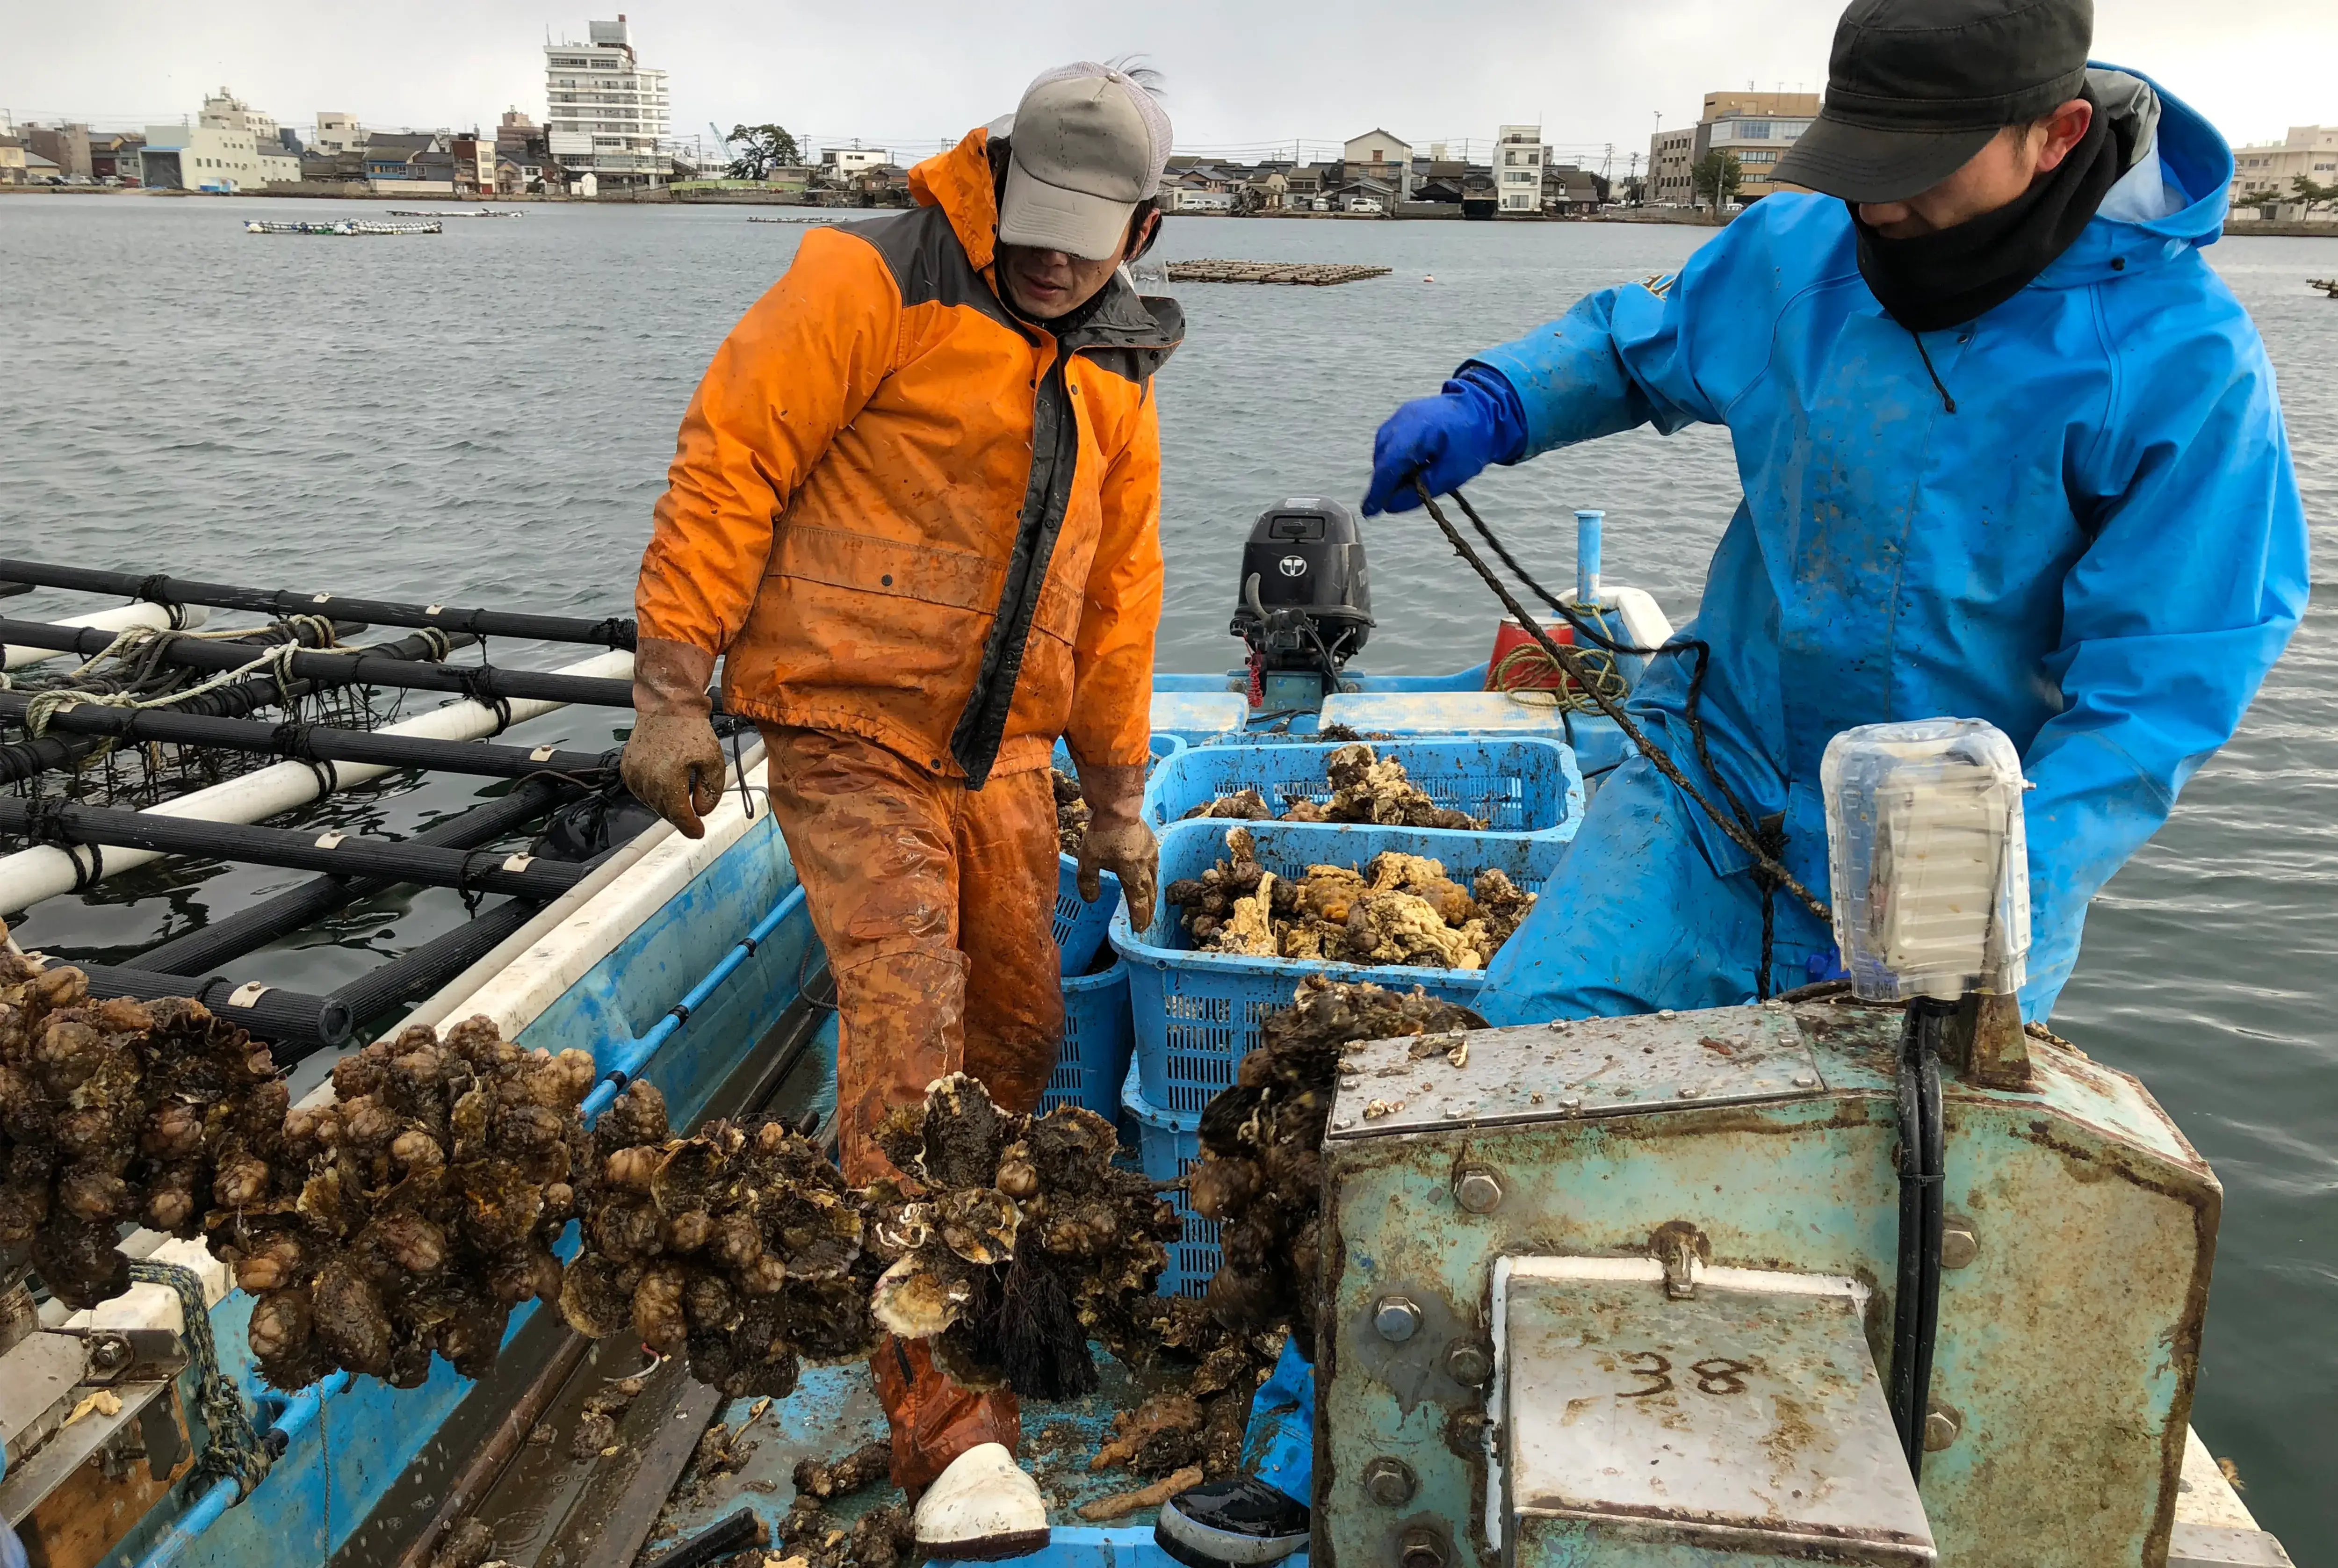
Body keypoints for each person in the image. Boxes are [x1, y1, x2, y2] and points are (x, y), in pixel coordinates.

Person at [1155, 0, 2307, 1562]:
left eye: (1918, 168)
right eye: (1861, 163)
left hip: (1968, 849)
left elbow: (2161, 691)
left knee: (1893, 1196)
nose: (1879, 202)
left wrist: (1963, 904)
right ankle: (1332, 1432)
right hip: (1722, 771)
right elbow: (1639, 347)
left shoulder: (2177, 358)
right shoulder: (1803, 253)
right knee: (1509, 1074)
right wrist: (1494, 405)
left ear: (2053, 135)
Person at [623, 62, 1181, 1561]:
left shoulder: (1121, 367)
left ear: (1147, 223)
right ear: (993, 179)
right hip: (844, 726)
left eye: (1089, 232)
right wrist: (674, 690)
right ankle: (949, 1426)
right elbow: (731, 456)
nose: (1051, 256)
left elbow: (1119, 594)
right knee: (916, 1044)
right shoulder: (872, 270)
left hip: (1001, 756)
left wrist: (1119, 796)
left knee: (1019, 1029)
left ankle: (938, 1268)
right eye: (1032, 219)